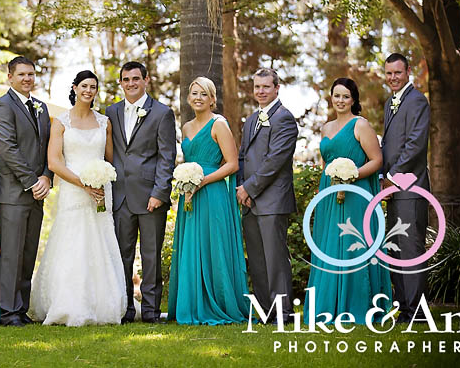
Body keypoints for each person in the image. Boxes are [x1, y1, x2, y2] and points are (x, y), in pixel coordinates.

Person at [28, 71, 126, 325]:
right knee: (72, 242)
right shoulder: (61, 122)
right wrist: (84, 184)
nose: (88, 91)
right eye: (84, 86)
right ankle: (67, 302)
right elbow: (54, 162)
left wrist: (101, 180)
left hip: (100, 190)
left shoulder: (105, 122)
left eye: (93, 86)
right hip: (73, 189)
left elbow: (110, 159)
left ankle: (103, 303)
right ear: (74, 88)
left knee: (100, 241)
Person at [303, 78, 391, 323]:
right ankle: (328, 305)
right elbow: (325, 163)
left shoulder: (360, 125)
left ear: (353, 100)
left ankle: (356, 305)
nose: (340, 100)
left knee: (353, 245)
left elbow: (377, 160)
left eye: (345, 96)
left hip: (356, 193)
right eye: (337, 96)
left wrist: (352, 175)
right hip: (329, 194)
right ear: (331, 97)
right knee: (329, 246)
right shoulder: (325, 128)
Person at [167, 77, 252, 325]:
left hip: (212, 193)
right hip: (189, 195)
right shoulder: (186, 127)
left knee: (213, 246)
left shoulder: (219, 124)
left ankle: (219, 303)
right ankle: (192, 303)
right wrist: (187, 181)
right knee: (192, 246)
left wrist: (202, 181)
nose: (198, 98)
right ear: (188, 97)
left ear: (212, 99)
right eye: (194, 93)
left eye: (204, 94)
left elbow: (232, 164)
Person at [107, 61, 176, 324]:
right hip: (120, 196)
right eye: (126, 79)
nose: (131, 83)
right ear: (121, 83)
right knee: (121, 256)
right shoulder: (111, 111)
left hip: (150, 196)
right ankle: (125, 309)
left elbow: (167, 157)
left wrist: (159, 192)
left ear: (146, 80)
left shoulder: (162, 113)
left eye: (136, 78)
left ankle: (150, 311)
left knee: (151, 256)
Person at [0, 56, 53, 326]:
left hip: (37, 192)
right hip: (13, 193)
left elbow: (49, 146)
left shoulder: (41, 107)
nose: (27, 78)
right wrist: (32, 181)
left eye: (31, 74)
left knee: (28, 253)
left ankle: (21, 308)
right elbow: (8, 148)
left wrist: (47, 177)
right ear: (10, 77)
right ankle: (8, 311)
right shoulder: (2, 106)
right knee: (11, 254)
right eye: (22, 74)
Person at [237, 68, 297, 324]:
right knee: (258, 261)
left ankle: (283, 312)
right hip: (250, 201)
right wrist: (242, 189)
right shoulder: (251, 120)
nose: (260, 91)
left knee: (275, 260)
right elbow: (242, 157)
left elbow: (275, 161)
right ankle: (265, 311)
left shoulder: (284, 118)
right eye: (257, 87)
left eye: (265, 87)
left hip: (272, 200)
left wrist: (249, 188)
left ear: (276, 88)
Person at [380, 53, 430, 323]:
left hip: (411, 188)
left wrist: (392, 176)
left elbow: (415, 145)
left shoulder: (417, 101)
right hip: (393, 190)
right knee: (396, 249)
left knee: (411, 249)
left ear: (408, 71)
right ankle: (404, 308)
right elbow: (390, 146)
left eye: (397, 72)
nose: (393, 78)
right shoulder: (390, 103)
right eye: (389, 73)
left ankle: (417, 312)